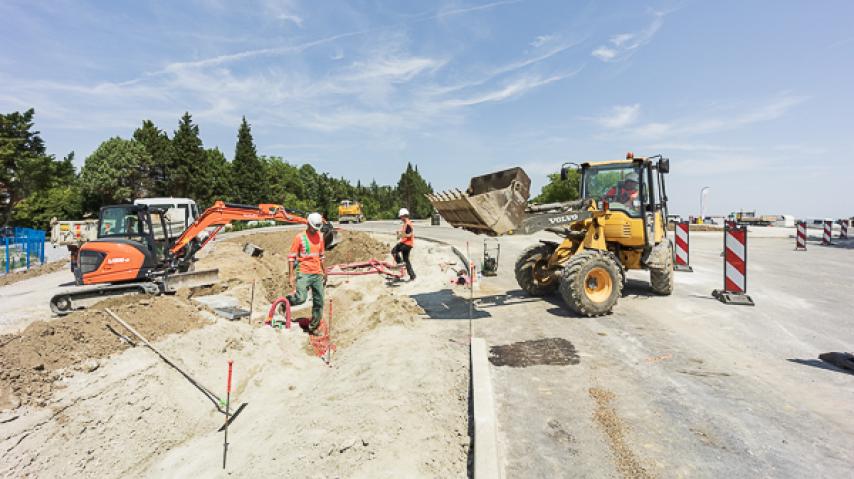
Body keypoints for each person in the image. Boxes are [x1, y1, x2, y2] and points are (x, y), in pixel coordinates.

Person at [286, 212, 327, 335]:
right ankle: (286, 302)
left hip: (317, 273)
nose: (315, 230)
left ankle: (313, 327)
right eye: (313, 228)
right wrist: (291, 276)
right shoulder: (300, 237)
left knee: (319, 302)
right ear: (308, 224)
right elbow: (291, 257)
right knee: (301, 298)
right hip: (303, 272)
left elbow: (321, 256)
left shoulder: (320, 237)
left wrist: (324, 271)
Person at [392, 208, 416, 280]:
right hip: (407, 244)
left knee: (394, 251)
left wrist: (401, 235)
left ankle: (400, 263)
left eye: (401, 217)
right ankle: (412, 275)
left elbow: (409, 235)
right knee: (406, 260)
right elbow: (405, 233)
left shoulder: (408, 224)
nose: (400, 218)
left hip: (407, 244)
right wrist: (399, 233)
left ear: (404, 216)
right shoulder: (406, 223)